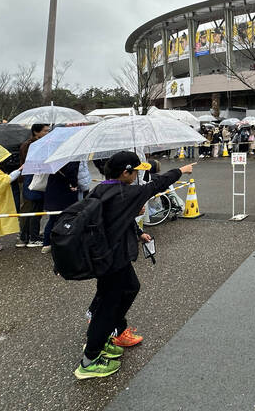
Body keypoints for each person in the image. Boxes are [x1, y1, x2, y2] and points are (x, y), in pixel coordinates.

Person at [75, 151, 194, 380]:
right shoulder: (124, 193)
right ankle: (89, 360)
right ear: (125, 173)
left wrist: (138, 232)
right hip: (112, 260)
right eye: (135, 172)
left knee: (131, 288)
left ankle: (103, 336)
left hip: (108, 258)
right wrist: (181, 170)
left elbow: (116, 219)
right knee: (108, 307)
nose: (136, 176)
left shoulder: (102, 189)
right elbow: (156, 185)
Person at [41, 161, 90, 254]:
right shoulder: (72, 157)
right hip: (66, 191)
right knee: (69, 219)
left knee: (52, 219)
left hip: (53, 188)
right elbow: (72, 171)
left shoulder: (54, 157)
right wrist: (74, 184)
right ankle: (66, 243)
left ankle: (47, 244)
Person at [17, 123, 50, 247]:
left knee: (34, 208)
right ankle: (30, 237)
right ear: (36, 132)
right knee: (32, 208)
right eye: (45, 131)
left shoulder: (35, 143)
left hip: (34, 179)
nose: (47, 133)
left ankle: (28, 236)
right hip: (32, 179)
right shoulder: (31, 145)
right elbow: (32, 162)